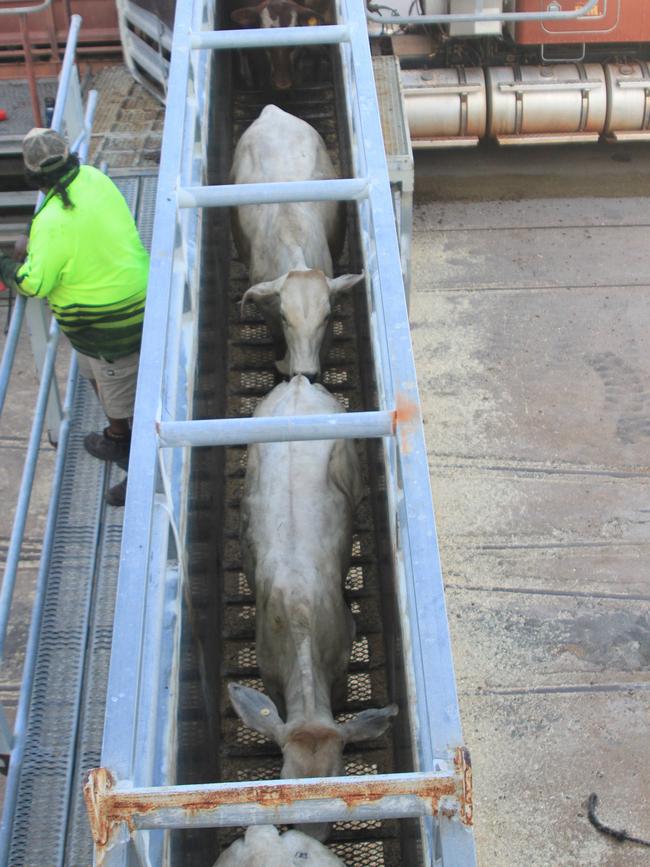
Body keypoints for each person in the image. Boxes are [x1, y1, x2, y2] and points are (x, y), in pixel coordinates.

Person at [0, 128, 149, 507]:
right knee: (95, 375)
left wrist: (8, 260)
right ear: (70, 157)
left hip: (111, 331)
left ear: (34, 176)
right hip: (127, 304)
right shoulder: (95, 179)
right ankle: (116, 436)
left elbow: (33, 283)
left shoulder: (50, 221)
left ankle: (139, 473)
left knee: (130, 405)